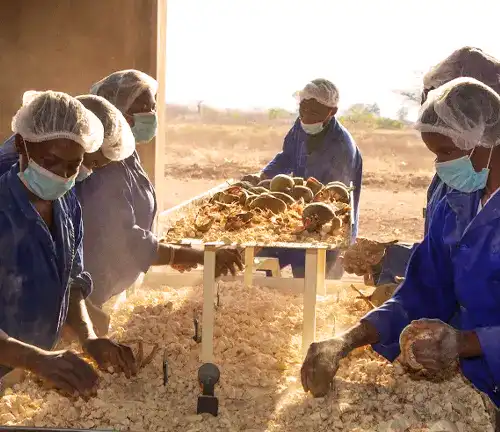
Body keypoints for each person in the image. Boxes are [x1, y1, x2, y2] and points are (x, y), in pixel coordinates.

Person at [301, 78, 500, 429]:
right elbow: (424, 289)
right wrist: (347, 339)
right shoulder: (455, 200)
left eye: (446, 154)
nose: (440, 167)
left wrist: (467, 343)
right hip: (480, 387)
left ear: (485, 143)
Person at [0, 90, 136, 397]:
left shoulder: (67, 204)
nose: (60, 175)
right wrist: (34, 358)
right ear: (22, 144)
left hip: (34, 372)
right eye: (50, 161)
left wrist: (88, 337)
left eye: (72, 166)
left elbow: (71, 282)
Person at [78, 70, 242, 313]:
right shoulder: (101, 164)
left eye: (153, 107)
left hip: (115, 283)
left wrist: (173, 254)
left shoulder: (126, 153)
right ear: (118, 114)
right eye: (144, 108)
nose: (152, 115)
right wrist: (195, 256)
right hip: (93, 289)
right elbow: (126, 239)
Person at [344, 46, 500, 287]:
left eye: (445, 102)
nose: (432, 111)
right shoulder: (456, 169)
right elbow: (440, 255)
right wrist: (386, 260)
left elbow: (468, 270)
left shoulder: (480, 172)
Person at [255, 78, 363, 278]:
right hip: (298, 214)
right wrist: (264, 175)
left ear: (332, 112)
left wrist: (297, 205)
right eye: (302, 109)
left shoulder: (341, 147)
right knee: (262, 265)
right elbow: (286, 156)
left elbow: (334, 200)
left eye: (314, 113)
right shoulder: (301, 126)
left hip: (324, 224)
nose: (306, 117)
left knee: (314, 283)